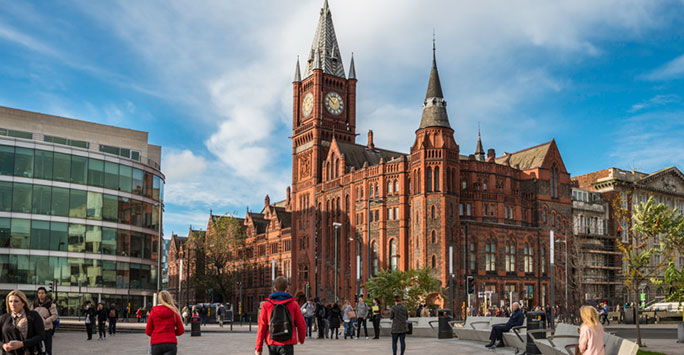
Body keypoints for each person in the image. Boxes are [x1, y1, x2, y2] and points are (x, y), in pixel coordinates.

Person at [255, 276, 306, 355]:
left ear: (274, 288)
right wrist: (301, 339)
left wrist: (258, 347)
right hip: (287, 341)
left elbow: (262, 327)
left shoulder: (267, 305)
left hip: (272, 341)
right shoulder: (293, 304)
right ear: (287, 288)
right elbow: (301, 324)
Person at [1, 290, 45, 355]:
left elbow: (41, 335)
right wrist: (3, 346)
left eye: (16, 301)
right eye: (10, 301)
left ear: (23, 303)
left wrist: (22, 344)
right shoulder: (4, 318)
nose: (13, 304)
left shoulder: (33, 316)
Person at [145, 290, 184, 355]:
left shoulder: (153, 312)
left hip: (156, 343)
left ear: (159, 299)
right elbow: (181, 330)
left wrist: (156, 334)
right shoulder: (174, 311)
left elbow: (148, 331)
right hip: (170, 343)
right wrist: (171, 333)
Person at [34, 286, 58, 355]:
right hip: (37, 330)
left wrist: (46, 321)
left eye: (42, 293)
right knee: (37, 348)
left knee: (48, 348)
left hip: (47, 329)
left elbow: (55, 315)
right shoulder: (34, 304)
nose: (40, 295)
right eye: (39, 293)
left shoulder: (50, 304)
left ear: (45, 294)